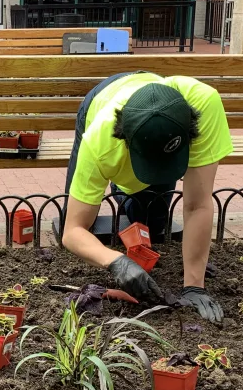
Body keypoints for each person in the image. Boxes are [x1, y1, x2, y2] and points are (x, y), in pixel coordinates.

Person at [62, 72, 233, 323]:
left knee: (152, 223)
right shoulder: (99, 143)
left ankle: (125, 193)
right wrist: (116, 261)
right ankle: (118, 184)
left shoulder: (203, 105)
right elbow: (73, 230)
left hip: (158, 117)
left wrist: (194, 286)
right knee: (84, 208)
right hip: (99, 103)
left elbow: (197, 204)